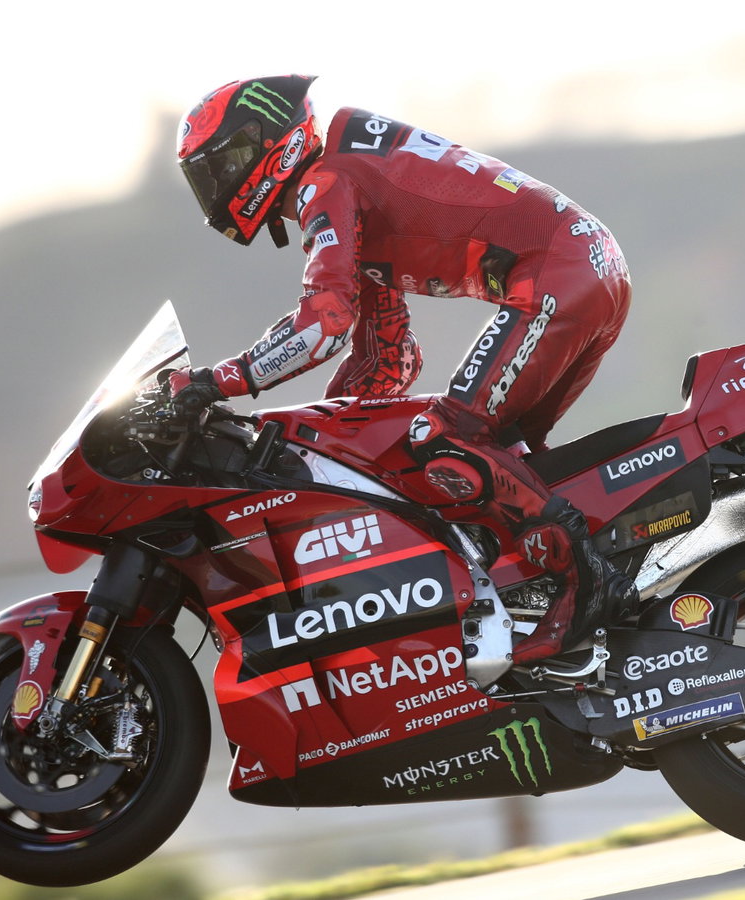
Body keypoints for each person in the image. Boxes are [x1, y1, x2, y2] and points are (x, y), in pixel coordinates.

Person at [168, 74, 636, 664]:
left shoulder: (325, 182)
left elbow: (324, 323)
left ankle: (589, 581)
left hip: (560, 276)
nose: (217, 185)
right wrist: (327, 440)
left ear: (268, 142)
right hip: (588, 266)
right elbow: (388, 360)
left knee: (442, 436)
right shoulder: (346, 169)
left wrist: (217, 382)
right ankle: (577, 584)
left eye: (223, 163)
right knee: (505, 458)